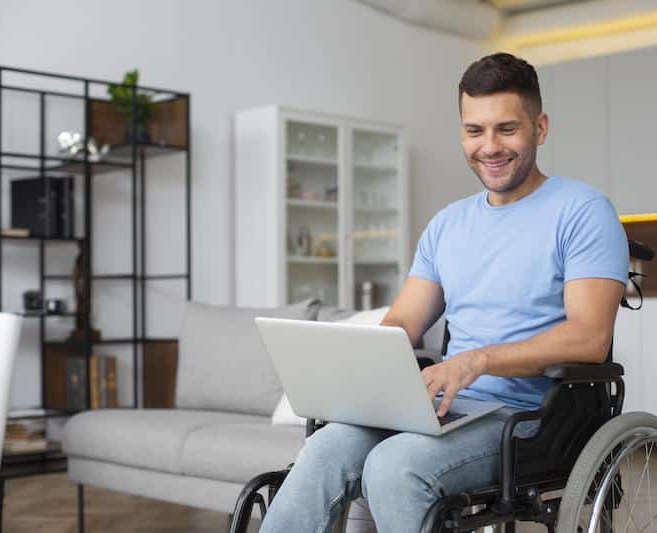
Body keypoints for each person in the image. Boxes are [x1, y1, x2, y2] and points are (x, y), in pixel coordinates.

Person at [259, 52, 629, 533]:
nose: (489, 146)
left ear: (540, 127)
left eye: (506, 129)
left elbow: (589, 338)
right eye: (474, 131)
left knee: (395, 465)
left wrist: (476, 361)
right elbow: (401, 324)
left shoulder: (583, 212)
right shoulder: (447, 225)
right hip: (439, 409)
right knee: (326, 447)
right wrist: (360, 372)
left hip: (532, 418)